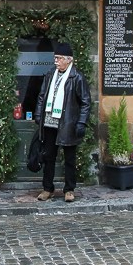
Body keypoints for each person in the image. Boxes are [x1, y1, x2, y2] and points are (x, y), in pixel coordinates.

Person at [34, 42, 91, 203]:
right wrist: (38, 114)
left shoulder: (77, 77)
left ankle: (69, 189)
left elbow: (85, 102)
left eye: (59, 58)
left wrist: (81, 122)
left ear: (68, 59)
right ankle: (47, 188)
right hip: (49, 123)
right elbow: (42, 96)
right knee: (48, 157)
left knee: (69, 159)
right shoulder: (50, 75)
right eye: (55, 58)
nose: (56, 61)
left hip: (68, 124)